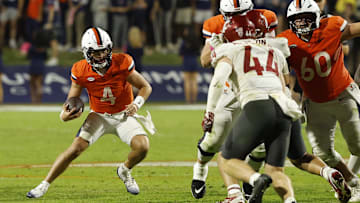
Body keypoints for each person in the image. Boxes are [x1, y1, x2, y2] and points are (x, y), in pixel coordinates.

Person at [26, 27, 154, 198]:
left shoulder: (122, 62)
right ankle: (44, 185)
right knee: (75, 149)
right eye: (96, 52)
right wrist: (64, 115)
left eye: (104, 51)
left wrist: (137, 104)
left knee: (143, 147)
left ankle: (124, 170)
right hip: (99, 115)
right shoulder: (80, 70)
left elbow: (146, 86)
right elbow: (71, 101)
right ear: (86, 52)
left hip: (123, 115)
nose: (101, 56)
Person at [209, 14, 302, 202]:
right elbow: (285, 83)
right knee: (275, 170)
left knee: (227, 158)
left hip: (258, 105)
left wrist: (209, 111)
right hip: (285, 108)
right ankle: (290, 200)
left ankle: (256, 179)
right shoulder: (274, 50)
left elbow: (219, 79)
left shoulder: (229, 49)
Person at [192, 0, 279, 200]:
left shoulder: (265, 19)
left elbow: (275, 57)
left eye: (242, 13)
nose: (238, 19)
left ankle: (248, 182)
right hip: (231, 91)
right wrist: (217, 44)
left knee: (260, 147)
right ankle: (200, 169)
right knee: (213, 141)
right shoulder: (216, 25)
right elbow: (206, 62)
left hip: (257, 89)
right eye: (233, 14)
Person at [277, 0, 360, 201]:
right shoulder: (285, 41)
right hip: (315, 102)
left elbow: (354, 29)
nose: (302, 23)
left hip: (343, 95)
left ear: (316, 17)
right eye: (297, 19)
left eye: (306, 18)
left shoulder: (331, 27)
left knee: (358, 145)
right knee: (323, 152)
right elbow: (280, 68)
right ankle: (354, 183)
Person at [180, 26, 201, 104]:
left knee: (187, 82)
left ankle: (188, 101)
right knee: (194, 82)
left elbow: (181, 54)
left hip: (186, 61)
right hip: (194, 61)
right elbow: (198, 53)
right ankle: (194, 101)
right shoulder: (196, 41)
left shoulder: (184, 42)